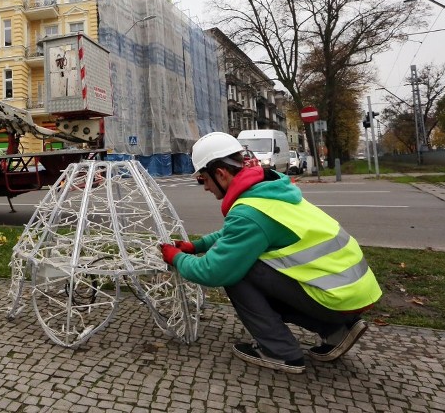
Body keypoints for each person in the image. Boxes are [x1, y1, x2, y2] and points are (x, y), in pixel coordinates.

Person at [161, 132, 381, 374]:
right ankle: (338, 331)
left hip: (334, 298)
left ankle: (280, 352)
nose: (204, 187)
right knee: (246, 261)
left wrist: (177, 258)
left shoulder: (250, 213)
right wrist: (197, 246)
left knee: (237, 274)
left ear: (221, 174)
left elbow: (213, 271)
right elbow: (238, 234)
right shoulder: (269, 190)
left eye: (203, 179)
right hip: (351, 290)